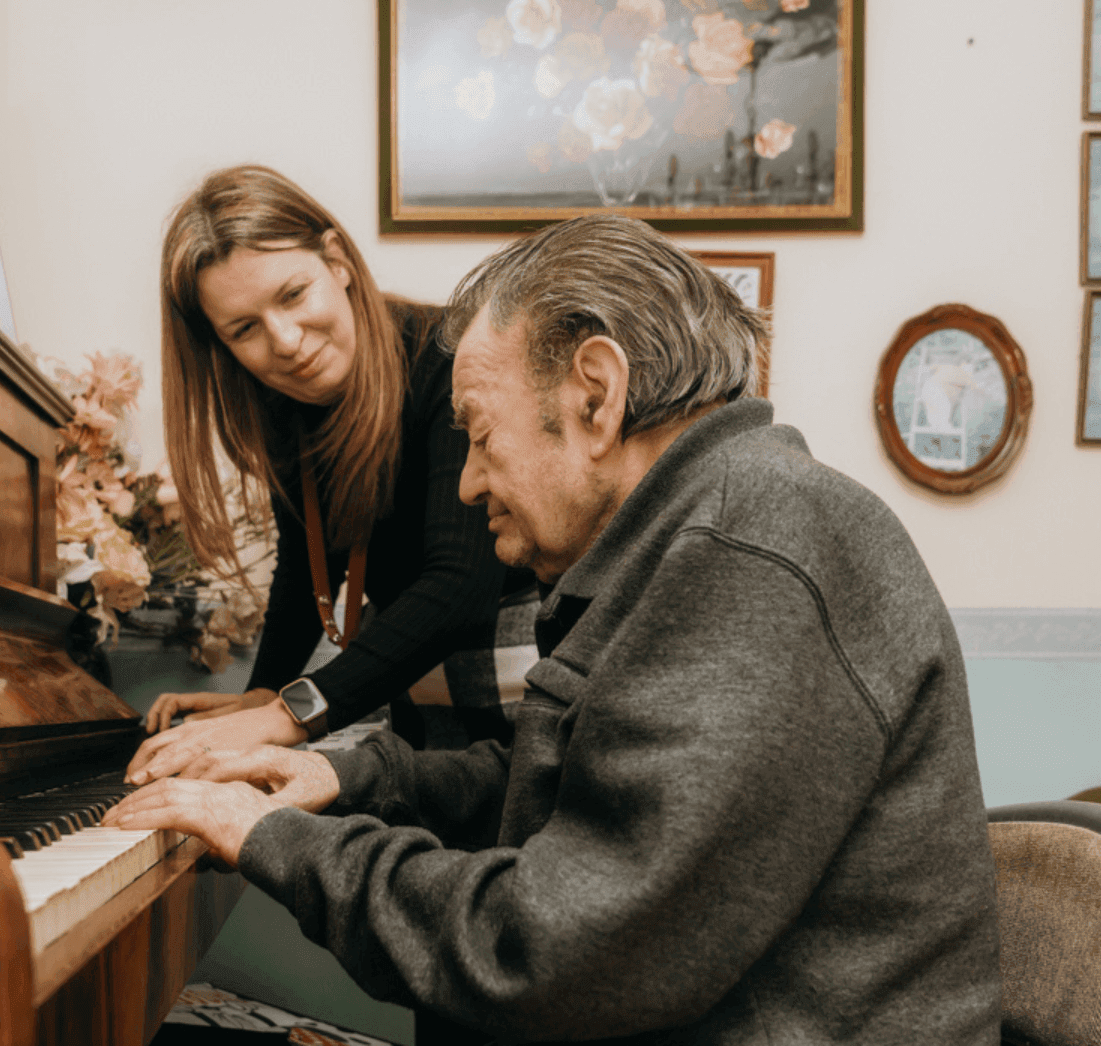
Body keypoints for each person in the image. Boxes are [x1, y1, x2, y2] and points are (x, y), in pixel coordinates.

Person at [107, 214, 1001, 1044]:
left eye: (480, 437)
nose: (464, 485)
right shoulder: (695, 532)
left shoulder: (757, 543)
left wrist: (270, 838)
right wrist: (341, 771)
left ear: (596, 397)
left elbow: (550, 952)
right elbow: (557, 777)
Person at [127, 165, 536, 782]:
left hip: (526, 704)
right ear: (220, 345)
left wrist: (284, 715)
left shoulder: (450, 357)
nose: (285, 341)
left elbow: (459, 589)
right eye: (244, 329)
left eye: (292, 295)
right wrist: (261, 693)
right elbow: (308, 562)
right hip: (424, 709)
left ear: (337, 260)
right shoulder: (284, 405)